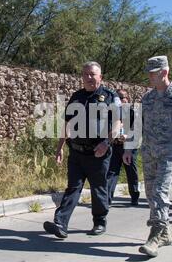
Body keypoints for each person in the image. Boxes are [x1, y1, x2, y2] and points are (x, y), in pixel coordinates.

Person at [123, 55, 172, 258]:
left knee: (159, 192)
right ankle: (166, 233)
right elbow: (137, 126)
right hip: (149, 154)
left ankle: (155, 235)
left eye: (153, 73)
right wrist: (129, 149)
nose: (149, 77)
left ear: (164, 72)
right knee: (150, 194)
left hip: (169, 155)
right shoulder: (147, 98)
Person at [43, 61, 121, 239]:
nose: (88, 77)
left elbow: (118, 122)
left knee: (98, 188)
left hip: (98, 153)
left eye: (92, 74)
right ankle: (60, 223)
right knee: (73, 187)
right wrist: (60, 147)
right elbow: (67, 123)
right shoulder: (76, 96)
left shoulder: (110, 96)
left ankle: (100, 221)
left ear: (100, 77)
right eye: (85, 74)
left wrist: (107, 142)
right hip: (77, 152)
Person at [107, 89, 140, 206]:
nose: (120, 100)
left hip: (129, 147)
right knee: (111, 172)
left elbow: (137, 129)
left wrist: (127, 135)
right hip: (115, 146)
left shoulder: (133, 112)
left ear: (127, 99)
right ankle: (107, 199)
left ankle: (135, 195)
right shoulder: (111, 113)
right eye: (118, 98)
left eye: (122, 98)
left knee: (131, 172)